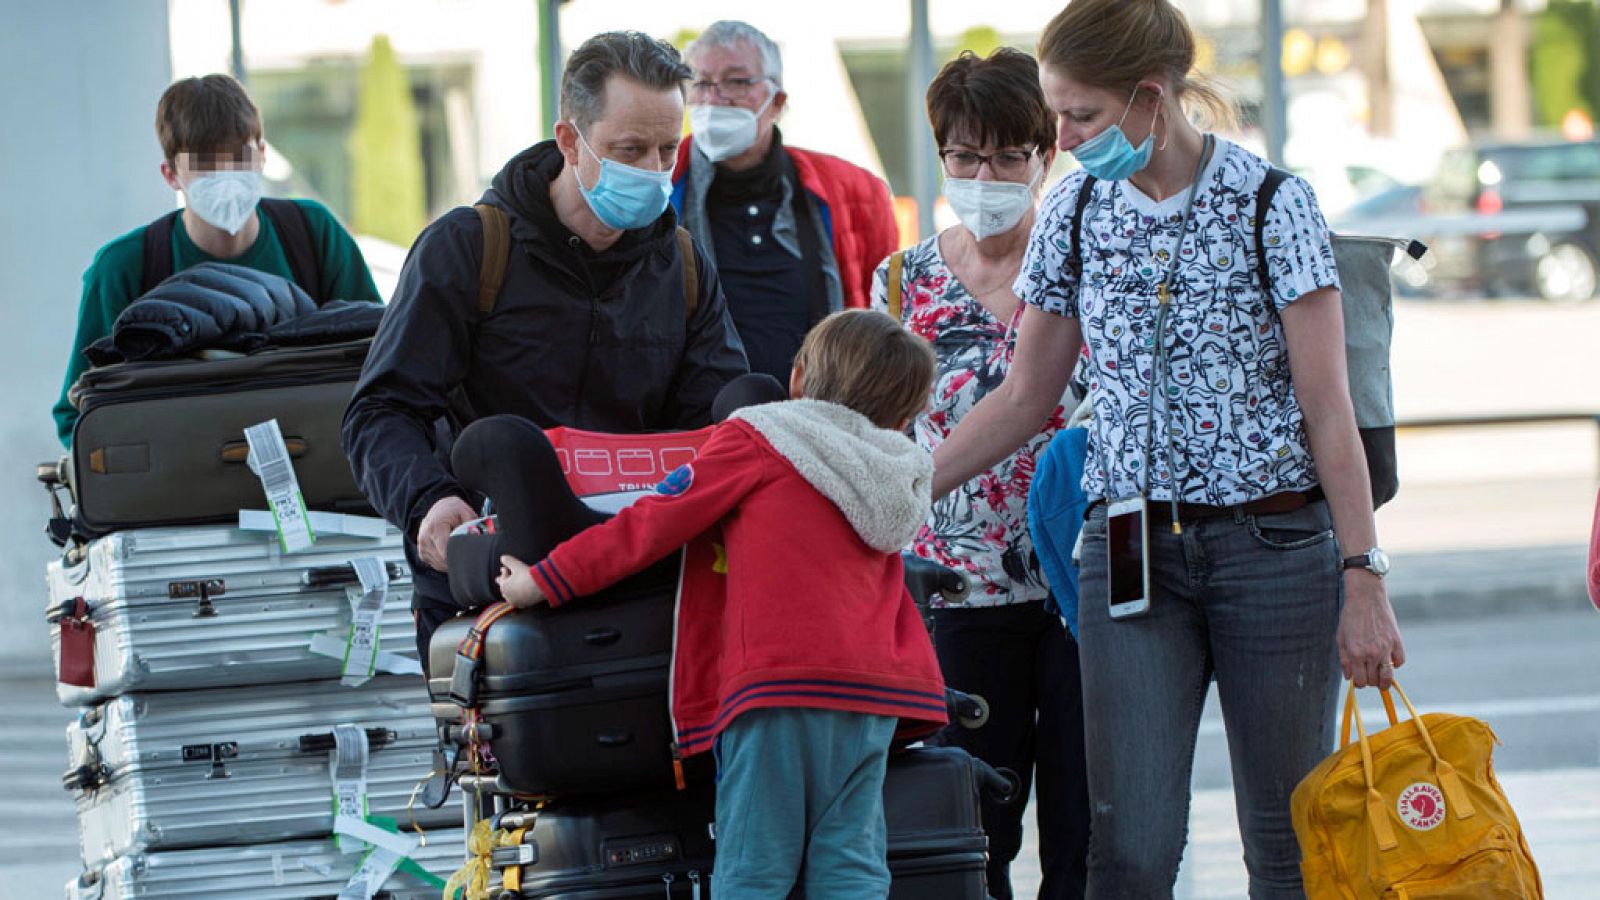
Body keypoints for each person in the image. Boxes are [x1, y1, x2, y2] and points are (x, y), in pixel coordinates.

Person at [928, 2, 1407, 897]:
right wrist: (903, 484)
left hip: (1274, 550)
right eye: (1057, 113)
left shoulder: (1274, 202)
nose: (1062, 138)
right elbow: (1028, 395)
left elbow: (1328, 409)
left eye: (1081, 115)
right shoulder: (1073, 206)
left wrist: (1364, 577)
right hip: (1128, 548)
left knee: (1286, 844)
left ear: (1151, 98)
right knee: (1133, 850)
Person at [497, 309, 946, 899]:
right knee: (851, 864)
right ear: (905, 414)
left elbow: (649, 525)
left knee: (754, 868)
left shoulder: (760, 438)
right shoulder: (896, 471)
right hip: (873, 693)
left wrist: (547, 580)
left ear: (798, 378)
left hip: (778, 687)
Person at [342, 31, 749, 662]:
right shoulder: (467, 249)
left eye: (667, 150)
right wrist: (426, 501)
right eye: (629, 149)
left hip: (637, 576)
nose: (652, 170)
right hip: (492, 588)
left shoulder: (685, 266)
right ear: (569, 141)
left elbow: (715, 426)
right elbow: (381, 410)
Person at [870, 48, 1088, 900]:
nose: (983, 174)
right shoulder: (901, 281)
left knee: (1088, 827)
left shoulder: (1083, 265)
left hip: (1081, 589)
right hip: (957, 594)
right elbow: (874, 432)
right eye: (964, 155)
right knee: (969, 830)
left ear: (1044, 156)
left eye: (1007, 155)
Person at [54, 73, 380, 445]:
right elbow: (77, 415)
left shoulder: (314, 236)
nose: (226, 176)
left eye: (239, 157)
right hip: (184, 487)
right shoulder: (125, 268)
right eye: (206, 163)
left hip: (315, 469)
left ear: (262, 155)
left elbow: (380, 361)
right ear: (171, 174)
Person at [672, 20, 900, 383]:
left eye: (736, 82)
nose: (714, 99)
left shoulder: (854, 191)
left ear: (777, 101)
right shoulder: (664, 188)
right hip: (703, 420)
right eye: (700, 83)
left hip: (822, 417)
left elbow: (883, 316)